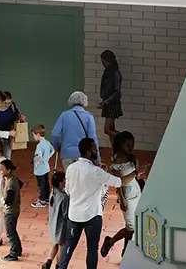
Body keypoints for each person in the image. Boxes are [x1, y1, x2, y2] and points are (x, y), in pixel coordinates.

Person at [57, 138, 122, 269]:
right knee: (92, 249)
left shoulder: (71, 168)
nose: (96, 150)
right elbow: (118, 182)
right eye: (94, 148)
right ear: (88, 151)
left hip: (74, 215)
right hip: (92, 216)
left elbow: (68, 190)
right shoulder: (96, 171)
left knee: (69, 246)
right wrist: (133, 174)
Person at [99, 131, 142, 259]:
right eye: (128, 145)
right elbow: (118, 183)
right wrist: (122, 199)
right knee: (131, 226)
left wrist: (139, 173)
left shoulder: (131, 157)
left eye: (132, 145)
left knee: (133, 225)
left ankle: (125, 250)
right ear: (121, 145)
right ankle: (112, 242)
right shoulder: (116, 160)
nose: (131, 148)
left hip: (136, 191)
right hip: (126, 195)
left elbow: (136, 174)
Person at [48, 91, 97, 166]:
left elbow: (55, 134)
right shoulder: (89, 116)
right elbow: (92, 138)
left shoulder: (64, 115)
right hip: (83, 154)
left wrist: (56, 146)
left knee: (69, 173)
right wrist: (97, 158)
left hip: (67, 153)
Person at [0, 157, 23, 261]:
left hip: (10, 211)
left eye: (2, 169)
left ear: (8, 170)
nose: (0, 171)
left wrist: (3, 201)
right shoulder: (13, 179)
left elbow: (9, 199)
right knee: (13, 231)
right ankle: (18, 249)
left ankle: (13, 253)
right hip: (15, 210)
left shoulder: (10, 183)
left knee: (10, 233)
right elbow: (20, 184)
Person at [43, 168, 70, 269]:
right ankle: (58, 266)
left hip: (53, 223)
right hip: (61, 226)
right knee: (62, 246)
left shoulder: (53, 192)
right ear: (60, 183)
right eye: (64, 180)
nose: (65, 182)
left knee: (55, 243)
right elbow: (66, 214)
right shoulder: (64, 197)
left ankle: (48, 261)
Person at [98, 50, 124, 138]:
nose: (103, 64)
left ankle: (122, 139)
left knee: (107, 129)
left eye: (103, 62)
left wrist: (106, 102)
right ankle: (115, 146)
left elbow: (117, 92)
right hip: (108, 103)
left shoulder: (115, 73)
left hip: (112, 104)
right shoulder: (107, 72)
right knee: (111, 129)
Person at [30, 123, 53, 207]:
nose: (33, 137)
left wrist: (35, 161)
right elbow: (53, 151)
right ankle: (47, 198)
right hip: (46, 167)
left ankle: (42, 201)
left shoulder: (39, 146)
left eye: (33, 135)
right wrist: (47, 158)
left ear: (38, 134)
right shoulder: (47, 143)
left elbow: (38, 157)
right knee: (46, 184)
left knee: (41, 186)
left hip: (40, 169)